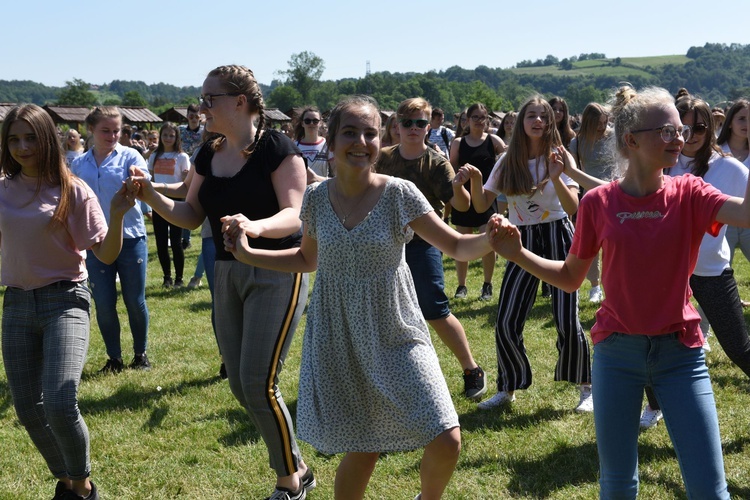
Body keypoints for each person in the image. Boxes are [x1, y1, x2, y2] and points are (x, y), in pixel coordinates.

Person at [222, 95, 496, 500]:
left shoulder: (401, 194)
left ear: (380, 139)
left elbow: (457, 246)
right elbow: (306, 258)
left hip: (397, 329)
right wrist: (248, 254)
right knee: (363, 447)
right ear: (330, 142)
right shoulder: (316, 199)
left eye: (370, 133)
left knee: (447, 436)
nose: (361, 141)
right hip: (340, 336)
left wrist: (494, 239)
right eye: (350, 132)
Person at [488, 85, 738, 498]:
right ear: (631, 140)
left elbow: (744, 212)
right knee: (618, 484)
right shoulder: (598, 203)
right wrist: (517, 254)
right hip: (615, 355)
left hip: (681, 354)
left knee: (709, 490)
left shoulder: (691, 192)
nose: (679, 138)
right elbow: (571, 277)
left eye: (682, 130)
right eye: (667, 130)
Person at [128, 64, 313, 500]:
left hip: (276, 270)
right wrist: (151, 195)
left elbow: (294, 213)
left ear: (240, 102)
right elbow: (191, 215)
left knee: (258, 381)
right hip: (227, 272)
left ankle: (290, 479)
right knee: (238, 383)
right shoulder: (209, 152)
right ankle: (298, 463)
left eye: (209, 99)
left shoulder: (278, 148)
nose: (202, 107)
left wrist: (254, 226)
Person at [1, 104, 136, 500]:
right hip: (17, 304)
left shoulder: (73, 189)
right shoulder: (3, 188)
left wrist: (116, 213)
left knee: (60, 401)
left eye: (30, 137)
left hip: (66, 301)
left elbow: (105, 255)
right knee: (27, 409)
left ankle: (81, 485)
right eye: (13, 139)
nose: (22, 147)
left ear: (47, 139)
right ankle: (71, 482)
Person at [454, 95, 592, 412]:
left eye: (544, 116)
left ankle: (587, 386)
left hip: (558, 233)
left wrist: (557, 176)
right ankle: (508, 387)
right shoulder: (507, 160)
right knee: (506, 319)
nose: (538, 121)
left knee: (566, 319)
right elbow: (479, 204)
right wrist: (474, 180)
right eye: (531, 115)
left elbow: (573, 208)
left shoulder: (559, 157)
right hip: (519, 239)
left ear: (551, 122)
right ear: (521, 122)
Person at [637, 92, 750, 430]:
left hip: (711, 270)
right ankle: (654, 405)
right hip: (666, 273)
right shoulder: (661, 163)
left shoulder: (727, 167)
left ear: (713, 128)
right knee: (648, 339)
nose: (692, 133)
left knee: (738, 346)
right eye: (682, 126)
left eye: (700, 125)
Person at [376, 97, 488, 402]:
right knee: (386, 313)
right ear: (396, 125)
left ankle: (471, 369)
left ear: (430, 126)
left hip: (425, 243)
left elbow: (463, 206)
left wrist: (460, 184)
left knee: (434, 309)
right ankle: (388, 381)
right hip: (386, 244)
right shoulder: (382, 158)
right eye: (407, 122)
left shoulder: (437, 162)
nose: (414, 128)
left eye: (421, 123)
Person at [70, 107, 152, 373]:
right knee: (104, 304)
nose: (113, 135)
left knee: (134, 301)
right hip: (95, 242)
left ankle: (140, 354)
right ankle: (114, 358)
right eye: (106, 130)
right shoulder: (79, 164)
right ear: (90, 130)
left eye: (116, 130)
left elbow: (145, 183)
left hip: (130, 237)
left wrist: (137, 182)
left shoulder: (131, 156)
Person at [449, 102, 505, 301]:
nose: (480, 121)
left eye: (483, 118)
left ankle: (487, 285)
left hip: (486, 198)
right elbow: (451, 169)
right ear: (467, 120)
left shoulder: (493, 140)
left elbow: (509, 155)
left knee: (488, 241)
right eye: (476, 117)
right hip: (464, 198)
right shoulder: (458, 143)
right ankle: (461, 286)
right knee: (462, 242)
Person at [567, 102, 613, 303]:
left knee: (614, 244)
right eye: (598, 123)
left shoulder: (614, 137)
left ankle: (612, 285)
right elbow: (574, 172)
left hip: (614, 194)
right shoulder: (577, 143)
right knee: (591, 243)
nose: (602, 127)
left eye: (605, 122)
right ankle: (595, 286)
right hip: (591, 198)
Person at [147, 122, 191, 287]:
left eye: (171, 135)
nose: (168, 138)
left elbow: (186, 180)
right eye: (165, 135)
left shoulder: (182, 157)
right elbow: (150, 178)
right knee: (160, 241)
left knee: (176, 241)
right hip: (158, 201)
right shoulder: (154, 156)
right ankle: (167, 277)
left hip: (176, 202)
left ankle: (179, 278)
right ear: (160, 136)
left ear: (176, 137)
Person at [716, 99, 750, 271]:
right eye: (742, 118)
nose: (747, 124)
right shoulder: (716, 151)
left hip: (749, 220)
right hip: (724, 220)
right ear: (729, 123)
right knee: (721, 271)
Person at [293, 106, 331, 184]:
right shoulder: (293, 146)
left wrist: (316, 179)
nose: (311, 124)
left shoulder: (328, 145)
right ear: (302, 123)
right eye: (307, 121)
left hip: (322, 193)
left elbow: (337, 177)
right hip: (301, 194)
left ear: (320, 123)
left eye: (315, 121)